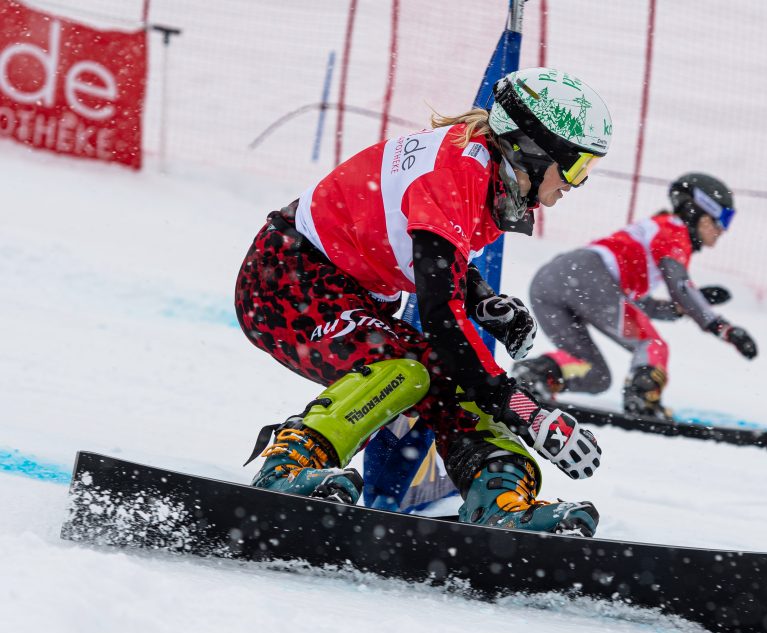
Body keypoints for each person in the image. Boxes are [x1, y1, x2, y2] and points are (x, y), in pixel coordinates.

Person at [234, 67, 611, 537]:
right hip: (286, 281)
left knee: (452, 378)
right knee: (407, 371)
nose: (574, 186)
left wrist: (483, 301)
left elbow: (429, 254)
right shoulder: (456, 176)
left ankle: (500, 499)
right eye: (576, 169)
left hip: (343, 287)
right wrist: (526, 410)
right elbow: (439, 317)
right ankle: (288, 465)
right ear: (530, 150)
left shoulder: (484, 169)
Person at [513, 173, 758, 419]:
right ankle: (641, 397)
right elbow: (680, 285)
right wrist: (721, 326)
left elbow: (640, 305)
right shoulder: (675, 229)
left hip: (552, 282)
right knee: (652, 345)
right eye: (723, 220)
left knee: (596, 375)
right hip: (589, 278)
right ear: (702, 213)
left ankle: (536, 375)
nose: (723, 231)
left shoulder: (655, 232)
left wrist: (683, 306)